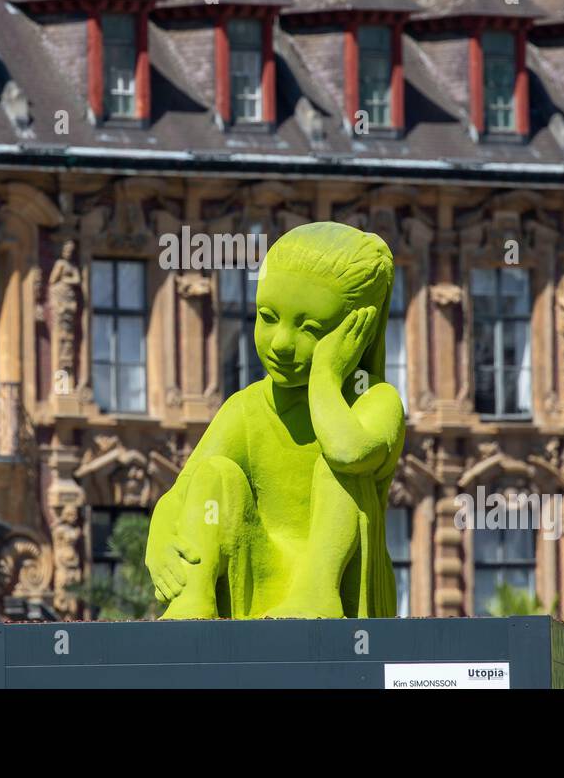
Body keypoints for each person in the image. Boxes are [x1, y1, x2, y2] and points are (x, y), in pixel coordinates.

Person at [145, 221, 404, 619]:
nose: (281, 342)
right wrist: (161, 534)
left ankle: (317, 592)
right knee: (214, 474)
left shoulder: (376, 401)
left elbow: (349, 451)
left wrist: (326, 378)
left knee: (338, 467)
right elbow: (182, 493)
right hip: (257, 570)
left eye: (311, 328)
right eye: (268, 317)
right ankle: (193, 601)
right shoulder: (246, 408)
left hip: (338, 586)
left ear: (359, 330)